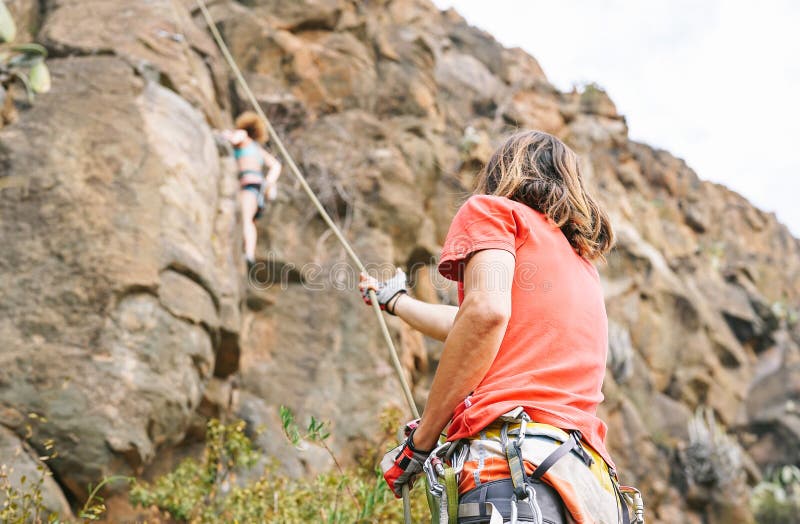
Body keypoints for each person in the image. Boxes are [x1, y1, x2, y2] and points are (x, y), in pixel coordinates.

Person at [361, 131, 638, 523]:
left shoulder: (494, 213)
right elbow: (474, 320)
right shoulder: (580, 262)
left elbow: (485, 315)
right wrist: (397, 303)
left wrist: (421, 443)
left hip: (516, 477)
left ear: (503, 170)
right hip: (589, 490)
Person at [222, 111, 282, 268]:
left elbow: (232, 139)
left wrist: (225, 134)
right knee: (250, 220)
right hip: (257, 187)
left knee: (246, 217)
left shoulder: (242, 136)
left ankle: (248, 254)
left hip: (248, 184)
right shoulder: (257, 148)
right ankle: (249, 251)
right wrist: (269, 182)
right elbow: (276, 165)